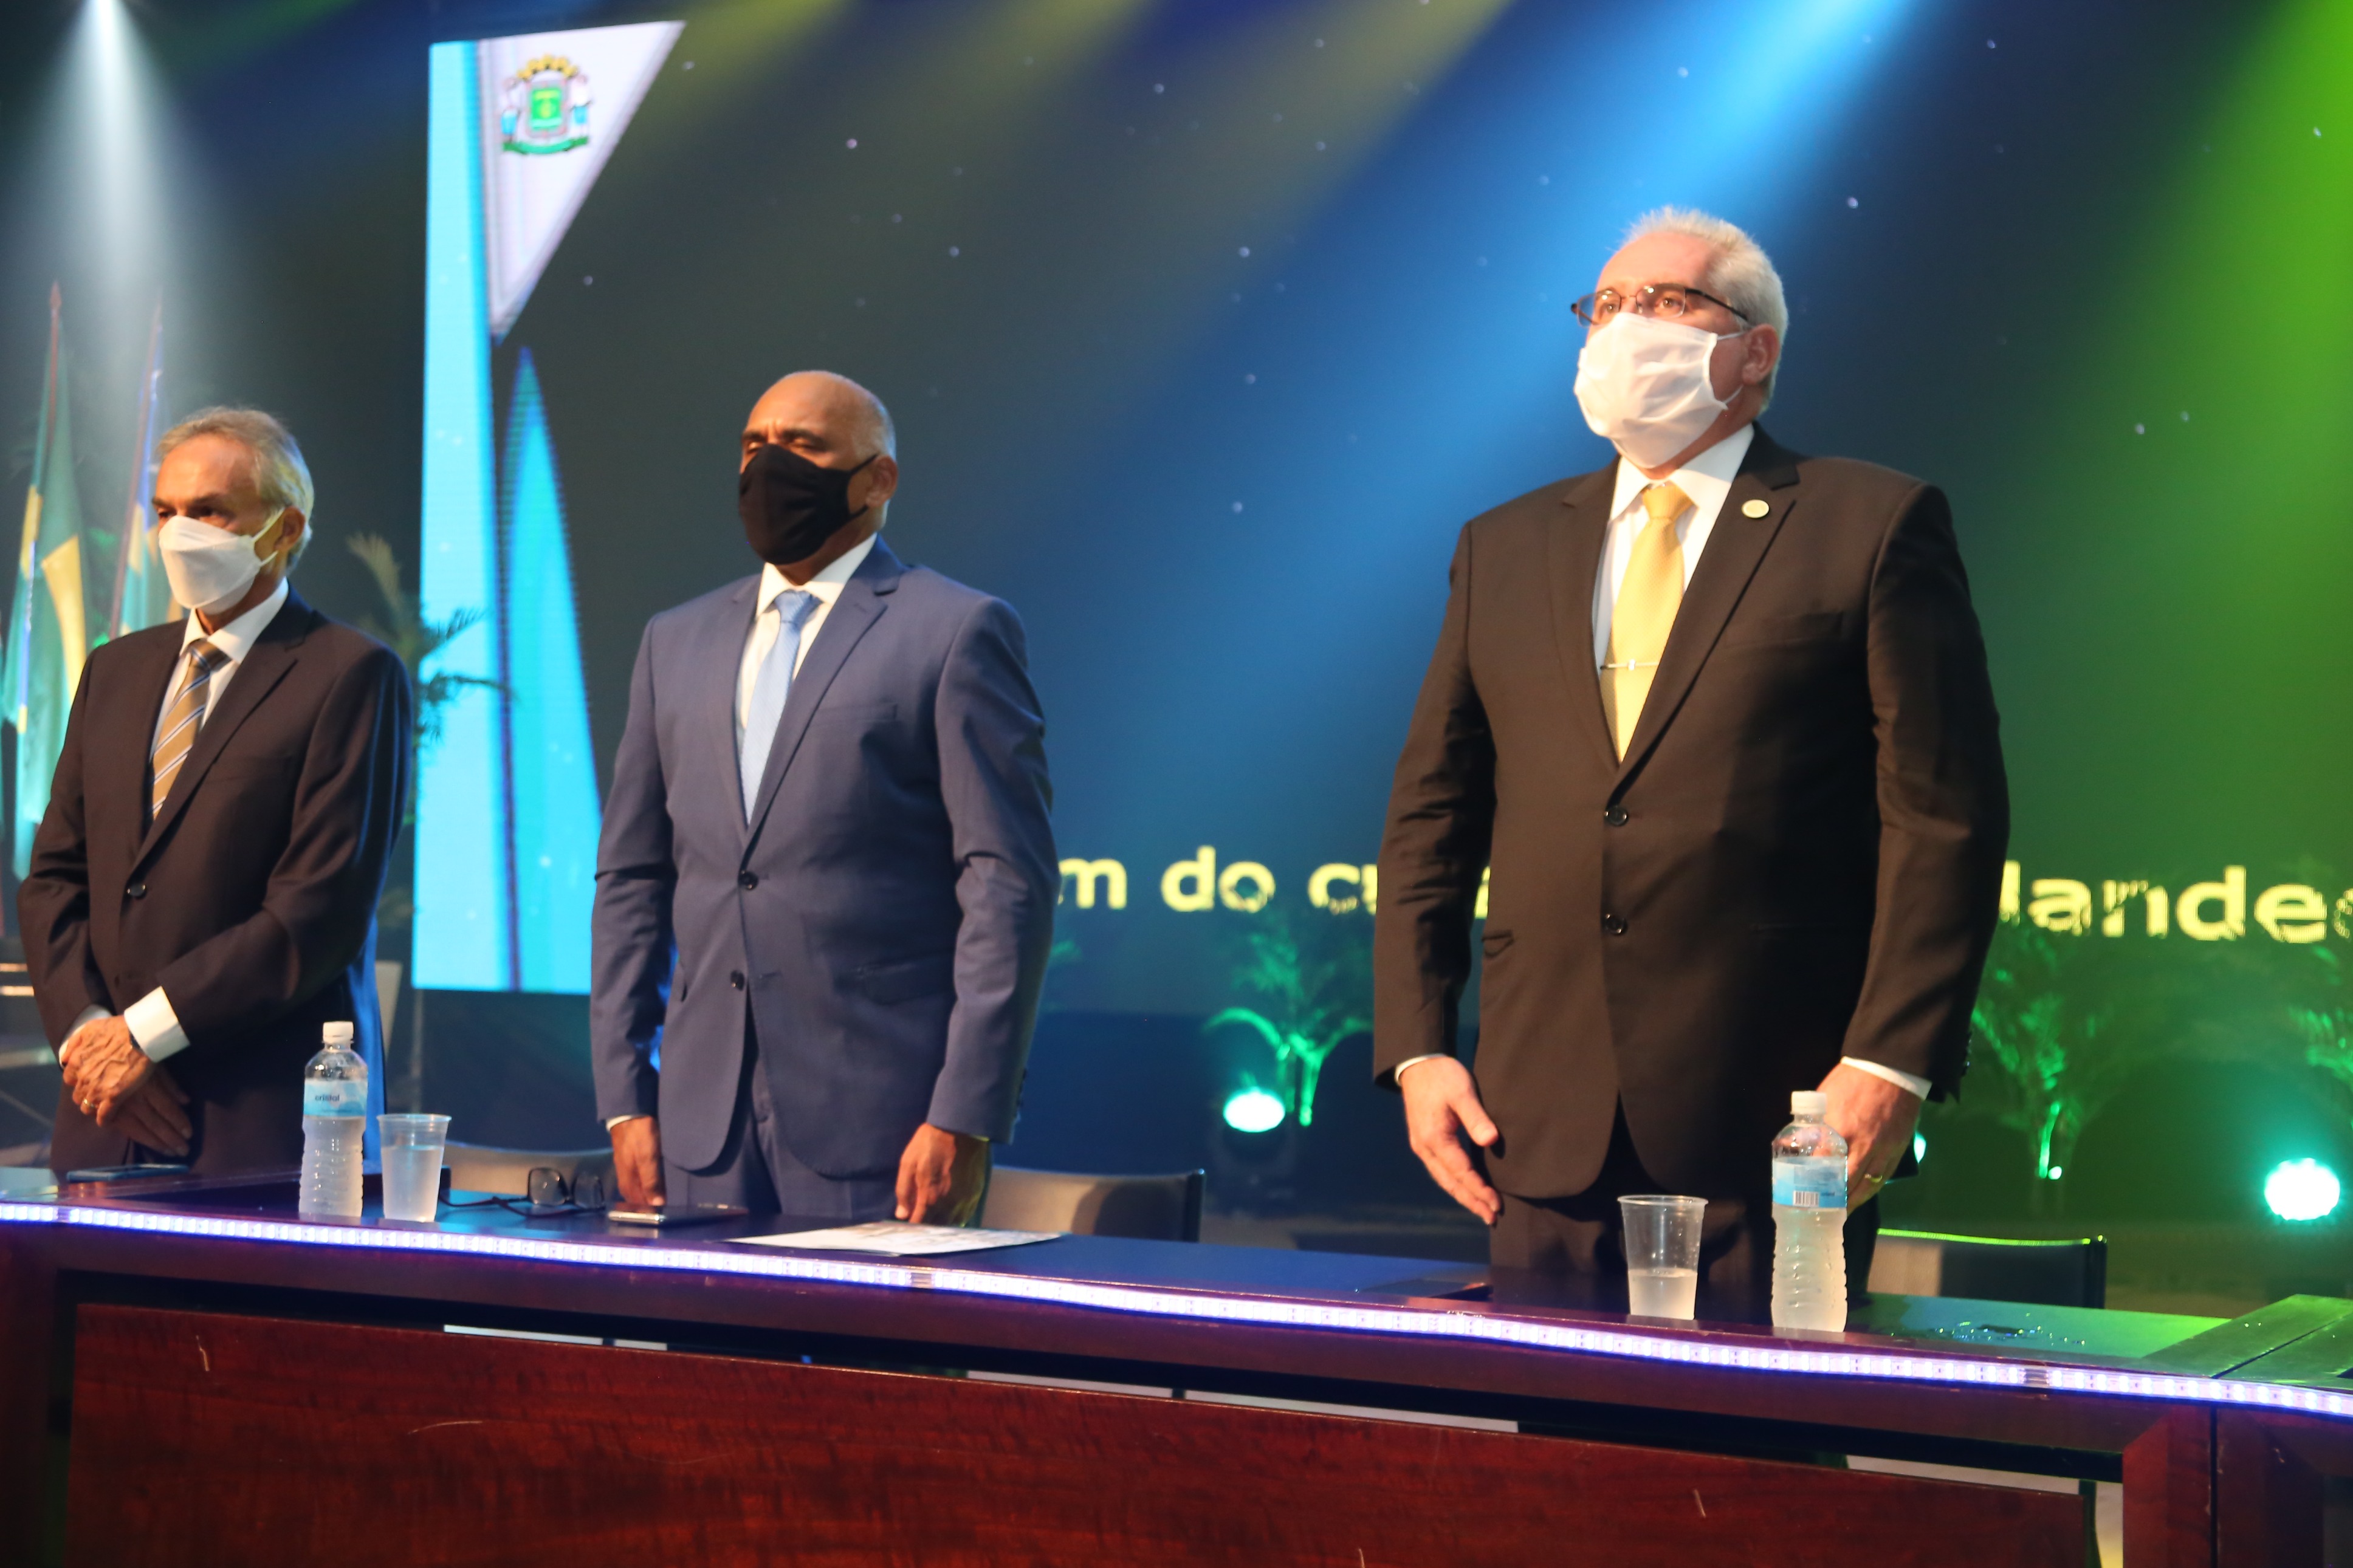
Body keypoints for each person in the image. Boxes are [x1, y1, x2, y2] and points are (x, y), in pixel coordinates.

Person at [1373, 210, 2008, 1296]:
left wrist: (1889, 1061)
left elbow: (1943, 816)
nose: (1626, 326)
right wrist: (1418, 1046)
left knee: (1754, 1414)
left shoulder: (1870, 523)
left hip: (1774, 1121)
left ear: (1755, 351)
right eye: (1605, 305)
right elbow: (1433, 812)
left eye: (1667, 301)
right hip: (1536, 1122)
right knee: (1541, 1416)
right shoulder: (1504, 544)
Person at [593, 371, 1056, 1224]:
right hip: (700, 1124)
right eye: (754, 445)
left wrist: (965, 1111)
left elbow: (1006, 884)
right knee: (694, 1323)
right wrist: (625, 1096)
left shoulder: (955, 630)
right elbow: (632, 877)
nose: (769, 466)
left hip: (886, 1118)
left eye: (803, 446)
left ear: (878, 479)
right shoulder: (673, 640)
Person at [22, 408, 413, 1174]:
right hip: (103, 1108)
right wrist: (91, 1036)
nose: (178, 533)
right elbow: (53, 880)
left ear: (284, 528)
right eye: (165, 510)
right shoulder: (114, 671)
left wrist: (143, 1035)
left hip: (259, 1126)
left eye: (208, 511)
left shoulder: (349, 674)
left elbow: (316, 911)